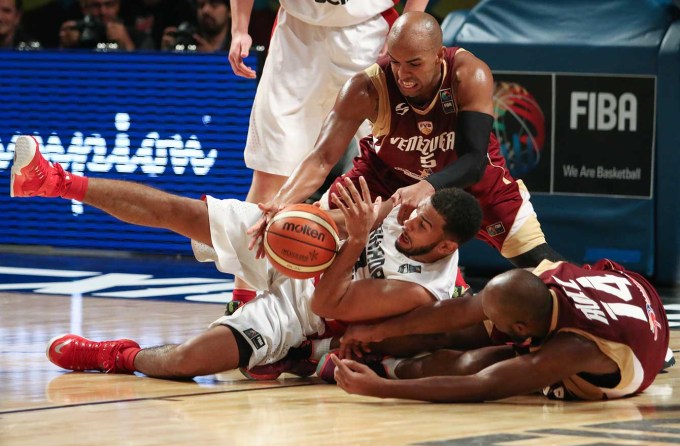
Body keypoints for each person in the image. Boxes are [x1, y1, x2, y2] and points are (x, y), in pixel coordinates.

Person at [9, 135, 483, 378]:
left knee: (189, 362)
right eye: (415, 214)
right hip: (312, 254)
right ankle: (52, 180)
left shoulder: (421, 290)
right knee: (185, 213)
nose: (409, 224)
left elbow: (328, 305)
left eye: (422, 227)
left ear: (446, 247)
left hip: (303, 312)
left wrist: (356, 241)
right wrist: (286, 222)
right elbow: (338, 225)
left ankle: (116, 355)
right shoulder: (408, 209)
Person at [254, 11, 564, 271]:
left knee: (540, 264)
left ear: (439, 55)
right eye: (396, 62)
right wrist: (282, 201)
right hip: (387, 176)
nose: (403, 74)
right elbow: (321, 158)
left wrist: (427, 185)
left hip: (471, 183)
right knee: (307, 229)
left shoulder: (468, 74)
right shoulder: (366, 87)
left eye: (414, 64)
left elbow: (474, 161)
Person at [228, 0, 429, 305]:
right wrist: (239, 27)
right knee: (270, 175)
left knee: (392, 175)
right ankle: (243, 298)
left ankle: (409, 286)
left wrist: (404, 32)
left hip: (371, 34)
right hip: (297, 35)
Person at [330, 259, 670, 402]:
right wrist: (378, 330)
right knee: (453, 330)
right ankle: (357, 350)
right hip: (622, 299)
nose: (482, 314)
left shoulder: (575, 347)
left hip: (627, 344)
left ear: (521, 329)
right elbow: (459, 311)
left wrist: (379, 388)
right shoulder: (543, 277)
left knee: (466, 364)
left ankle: (388, 368)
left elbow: (482, 385)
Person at [59, 0, 136, 50]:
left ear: (118, 6)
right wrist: (64, 46)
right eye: (95, 5)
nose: (103, 12)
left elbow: (140, 72)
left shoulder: (134, 36)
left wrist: (126, 44)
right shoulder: (76, 32)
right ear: (84, 8)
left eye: (109, 4)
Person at [161, 0, 230, 52]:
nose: (205, 10)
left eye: (214, 4)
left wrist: (211, 57)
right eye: (201, 5)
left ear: (230, 11)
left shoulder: (238, 47)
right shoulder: (187, 39)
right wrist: (167, 55)